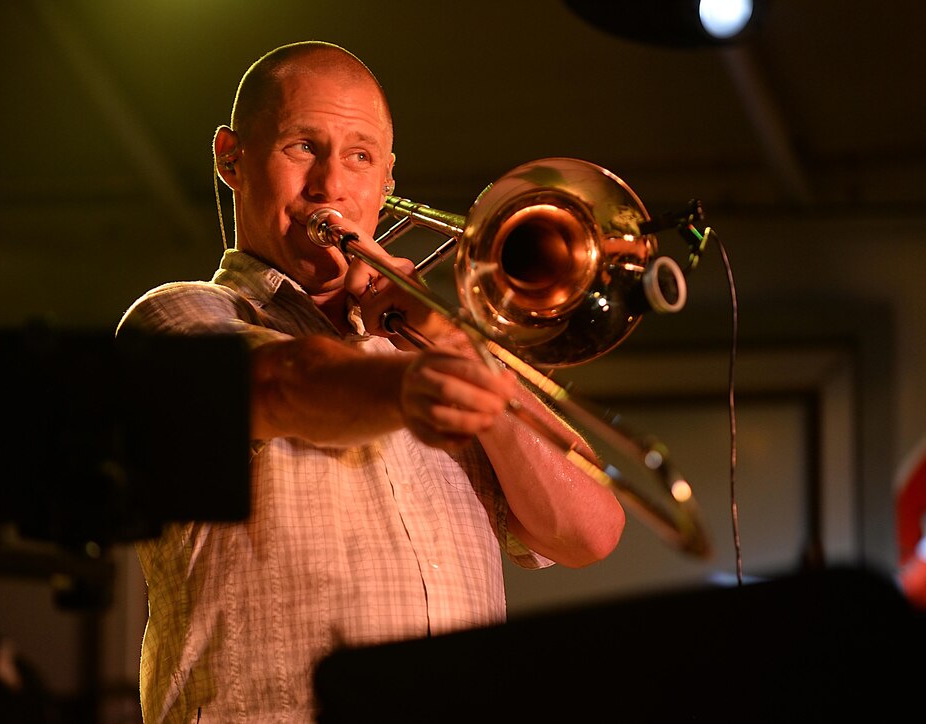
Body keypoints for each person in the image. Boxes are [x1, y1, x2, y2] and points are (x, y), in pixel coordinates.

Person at [116, 40, 625, 723]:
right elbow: (282, 386)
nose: (331, 186)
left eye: (359, 156)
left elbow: (591, 530)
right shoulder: (179, 317)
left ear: (387, 182)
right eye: (303, 146)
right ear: (230, 158)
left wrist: (455, 351)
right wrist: (413, 378)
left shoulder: (438, 346)